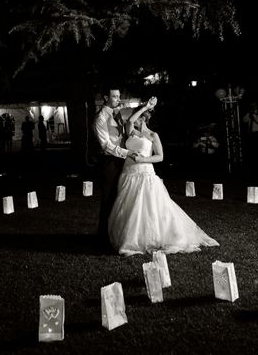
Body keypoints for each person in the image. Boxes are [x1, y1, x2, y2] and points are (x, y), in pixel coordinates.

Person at [108, 98, 219, 256]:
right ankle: (130, 237)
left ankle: (148, 238)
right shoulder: (131, 131)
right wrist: (145, 106)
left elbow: (160, 157)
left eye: (139, 116)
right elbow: (130, 120)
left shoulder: (153, 135)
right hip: (128, 173)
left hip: (145, 173)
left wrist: (143, 159)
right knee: (128, 207)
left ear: (145, 118)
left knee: (147, 208)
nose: (134, 119)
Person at [92, 86, 140, 247]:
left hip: (123, 160)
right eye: (114, 97)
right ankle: (103, 237)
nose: (118, 99)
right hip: (110, 162)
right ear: (106, 98)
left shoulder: (117, 112)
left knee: (123, 196)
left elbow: (129, 110)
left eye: (119, 96)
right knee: (109, 198)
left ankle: (119, 233)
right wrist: (127, 153)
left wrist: (146, 105)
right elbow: (105, 145)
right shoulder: (100, 118)